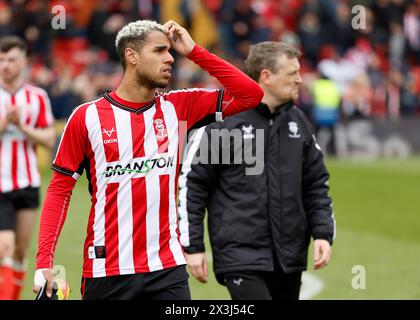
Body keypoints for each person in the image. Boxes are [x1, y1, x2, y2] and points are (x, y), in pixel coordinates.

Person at [33, 20, 263, 300]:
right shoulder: (86, 117)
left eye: (171, 52)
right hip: (107, 271)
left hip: (167, 269)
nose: (170, 58)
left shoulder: (180, 107)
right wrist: (44, 262)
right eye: (159, 51)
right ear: (131, 56)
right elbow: (60, 190)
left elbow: (252, 95)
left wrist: (194, 51)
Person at [178, 41, 336, 300]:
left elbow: (316, 184)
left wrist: (322, 233)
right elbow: (193, 186)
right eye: (292, 73)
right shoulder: (224, 123)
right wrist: (193, 245)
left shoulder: (299, 123)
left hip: (290, 257)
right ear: (266, 76)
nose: (300, 79)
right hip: (241, 257)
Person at [0, 36, 55, 300]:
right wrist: (4, 124)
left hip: (28, 181)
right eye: (0, 60)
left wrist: (22, 126)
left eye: (11, 59)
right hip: (0, 184)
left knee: (20, 251)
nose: (5, 65)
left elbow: (48, 139)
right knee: (4, 248)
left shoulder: (37, 97)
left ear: (23, 61)